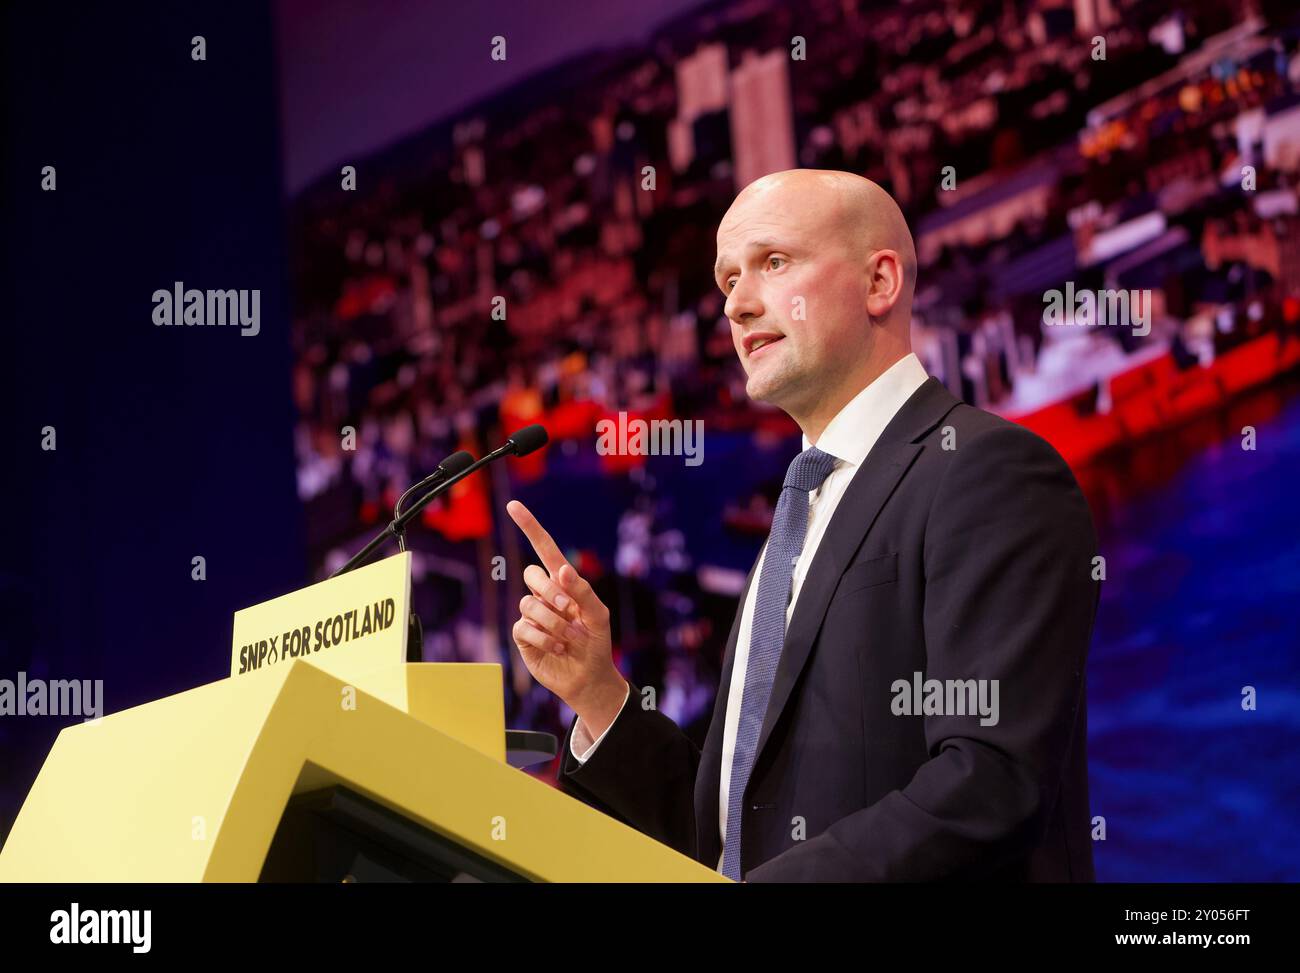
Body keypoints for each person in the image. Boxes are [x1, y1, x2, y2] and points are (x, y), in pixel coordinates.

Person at [506, 169, 1099, 882]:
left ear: (879, 283)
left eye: (773, 262)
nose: (737, 304)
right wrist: (598, 694)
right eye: (728, 280)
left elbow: (992, 781)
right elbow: (731, 836)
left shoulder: (988, 471)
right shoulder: (795, 516)